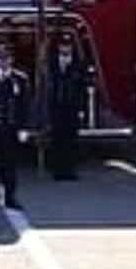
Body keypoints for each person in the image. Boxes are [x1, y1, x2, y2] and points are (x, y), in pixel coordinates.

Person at [0, 39, 31, 209]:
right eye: (1, 58)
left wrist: (24, 127)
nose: (4, 61)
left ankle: (11, 197)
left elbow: (24, 104)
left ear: (11, 60)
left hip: (11, 128)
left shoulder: (20, 78)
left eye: (7, 58)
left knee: (10, 166)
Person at [44, 32, 89, 180]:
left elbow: (82, 88)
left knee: (71, 139)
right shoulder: (51, 63)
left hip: (72, 106)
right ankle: (57, 169)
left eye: (68, 46)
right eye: (63, 46)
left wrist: (82, 108)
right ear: (58, 47)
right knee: (57, 138)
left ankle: (70, 170)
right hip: (56, 105)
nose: (65, 49)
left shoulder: (78, 64)